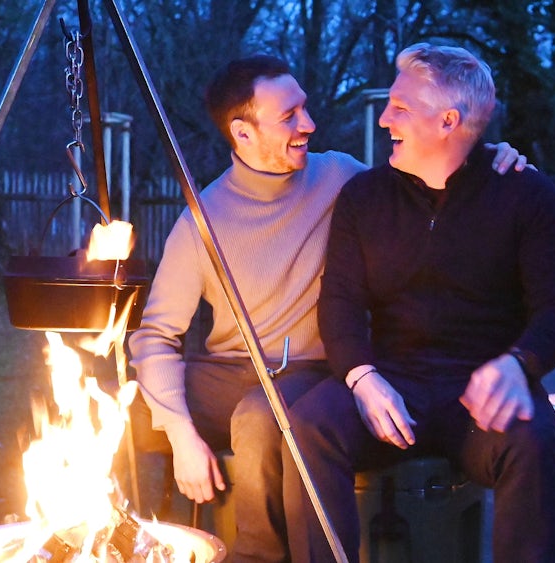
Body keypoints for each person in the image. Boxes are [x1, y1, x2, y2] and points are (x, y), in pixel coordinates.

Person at [128, 54, 527, 562]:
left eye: (305, 109)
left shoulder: (341, 177)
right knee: (128, 409)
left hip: (312, 370)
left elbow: (428, 164)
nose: (309, 124)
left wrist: (488, 152)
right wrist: (181, 435)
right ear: (243, 133)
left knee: (259, 417)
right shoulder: (201, 222)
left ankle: (260, 555)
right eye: (289, 116)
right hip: (229, 371)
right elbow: (156, 335)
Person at [285, 43, 555, 563]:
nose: (383, 119)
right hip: (391, 384)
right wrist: (360, 375)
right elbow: (341, 301)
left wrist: (520, 364)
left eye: (400, 107)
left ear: (449, 121)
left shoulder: (525, 194)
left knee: (533, 443)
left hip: (481, 394)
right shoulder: (365, 197)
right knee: (310, 425)